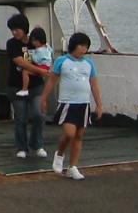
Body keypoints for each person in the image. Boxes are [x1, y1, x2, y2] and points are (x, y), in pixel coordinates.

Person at [40, 31, 103, 180]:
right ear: (75, 45)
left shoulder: (89, 63)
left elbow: (94, 85)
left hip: (84, 104)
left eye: (86, 47)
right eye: (82, 46)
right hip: (67, 103)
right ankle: (60, 154)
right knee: (69, 133)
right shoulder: (62, 61)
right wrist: (44, 99)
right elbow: (52, 81)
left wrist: (99, 104)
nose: (84, 49)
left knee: (79, 135)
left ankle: (73, 167)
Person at [6, 13, 50, 159]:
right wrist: (41, 71)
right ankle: (22, 147)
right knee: (21, 118)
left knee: (39, 114)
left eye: (17, 29)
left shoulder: (35, 41)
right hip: (16, 87)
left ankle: (37, 144)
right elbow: (20, 62)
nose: (14, 32)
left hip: (36, 86)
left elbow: (46, 55)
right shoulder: (11, 44)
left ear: (24, 28)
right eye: (12, 30)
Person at [16, 26, 53, 97]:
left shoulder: (40, 50)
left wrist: (30, 54)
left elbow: (36, 59)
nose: (32, 43)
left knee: (25, 71)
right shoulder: (47, 47)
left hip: (42, 67)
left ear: (38, 41)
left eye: (34, 41)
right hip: (47, 67)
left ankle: (24, 89)